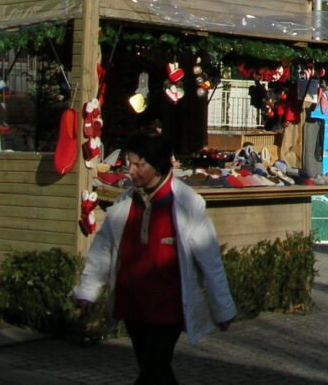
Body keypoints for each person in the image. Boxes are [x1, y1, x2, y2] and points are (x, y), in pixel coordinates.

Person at [73, 130, 236, 384]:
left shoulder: (187, 204)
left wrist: (223, 308)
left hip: (167, 307)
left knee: (153, 367)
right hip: (133, 304)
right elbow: (103, 250)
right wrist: (87, 291)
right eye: (129, 163)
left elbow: (210, 260)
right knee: (154, 373)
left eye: (140, 164)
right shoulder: (125, 204)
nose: (132, 170)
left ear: (158, 165)